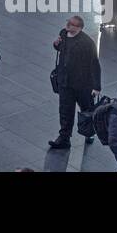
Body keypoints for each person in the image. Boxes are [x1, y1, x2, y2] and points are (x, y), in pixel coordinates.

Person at [48, 15, 101, 149]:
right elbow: (61, 49)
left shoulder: (87, 43)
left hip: (82, 84)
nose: (68, 25)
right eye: (68, 22)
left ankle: (89, 131)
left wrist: (96, 86)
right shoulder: (63, 34)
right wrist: (56, 44)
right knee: (65, 110)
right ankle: (64, 138)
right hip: (65, 83)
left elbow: (94, 64)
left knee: (87, 109)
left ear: (79, 28)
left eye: (71, 24)